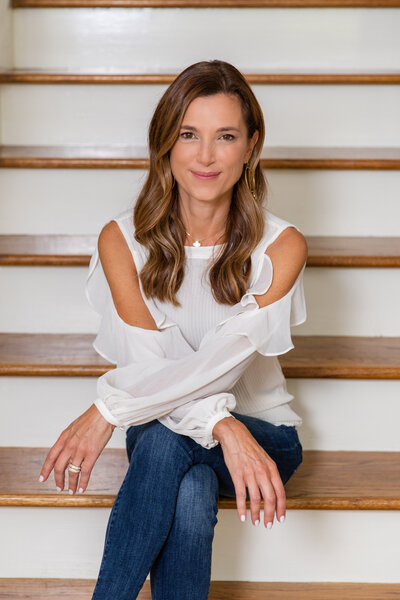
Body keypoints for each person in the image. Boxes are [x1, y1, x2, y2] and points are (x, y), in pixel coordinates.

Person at [38, 59, 308, 599]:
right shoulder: (122, 241)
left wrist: (108, 409)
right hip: (198, 432)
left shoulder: (280, 247)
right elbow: (147, 367)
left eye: (225, 136)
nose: (205, 156)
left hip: (264, 440)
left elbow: (218, 368)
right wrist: (225, 427)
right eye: (189, 134)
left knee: (162, 443)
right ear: (166, 143)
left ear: (251, 147)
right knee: (189, 484)